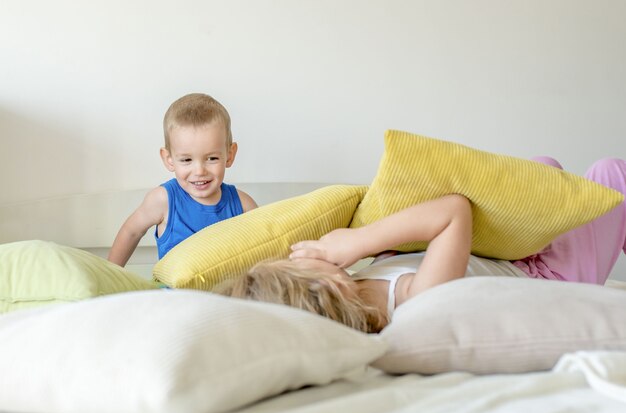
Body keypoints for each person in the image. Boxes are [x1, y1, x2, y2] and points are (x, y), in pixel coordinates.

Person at [214, 157, 626, 333]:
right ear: (327, 289)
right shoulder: (416, 299)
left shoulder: (360, 282)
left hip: (505, 251)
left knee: (543, 170)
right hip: (547, 276)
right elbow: (453, 211)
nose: (302, 255)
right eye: (299, 266)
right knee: (612, 174)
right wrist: (356, 243)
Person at [108, 93, 257, 267]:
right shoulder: (163, 200)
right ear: (169, 159)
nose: (200, 171)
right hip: (176, 294)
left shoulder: (243, 205)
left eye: (212, 158)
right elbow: (131, 232)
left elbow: (269, 243)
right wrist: (109, 275)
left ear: (229, 155)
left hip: (225, 293)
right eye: (187, 160)